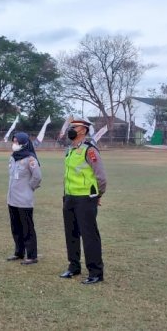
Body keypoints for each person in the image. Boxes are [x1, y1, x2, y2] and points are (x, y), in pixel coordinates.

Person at [59, 117, 107, 285]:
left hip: (86, 198)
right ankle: (73, 266)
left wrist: (98, 195)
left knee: (89, 235)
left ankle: (95, 272)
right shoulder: (70, 150)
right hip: (70, 197)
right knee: (70, 233)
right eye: (71, 126)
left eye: (75, 127)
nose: (71, 129)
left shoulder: (90, 150)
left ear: (84, 130)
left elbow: (101, 176)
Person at [5, 132, 42, 265]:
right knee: (16, 227)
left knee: (27, 228)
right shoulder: (13, 157)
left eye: (17, 141)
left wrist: (29, 188)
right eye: (13, 141)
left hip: (24, 200)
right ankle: (19, 252)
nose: (14, 144)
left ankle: (32, 255)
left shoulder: (30, 159)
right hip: (12, 198)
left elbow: (37, 177)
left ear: (24, 143)